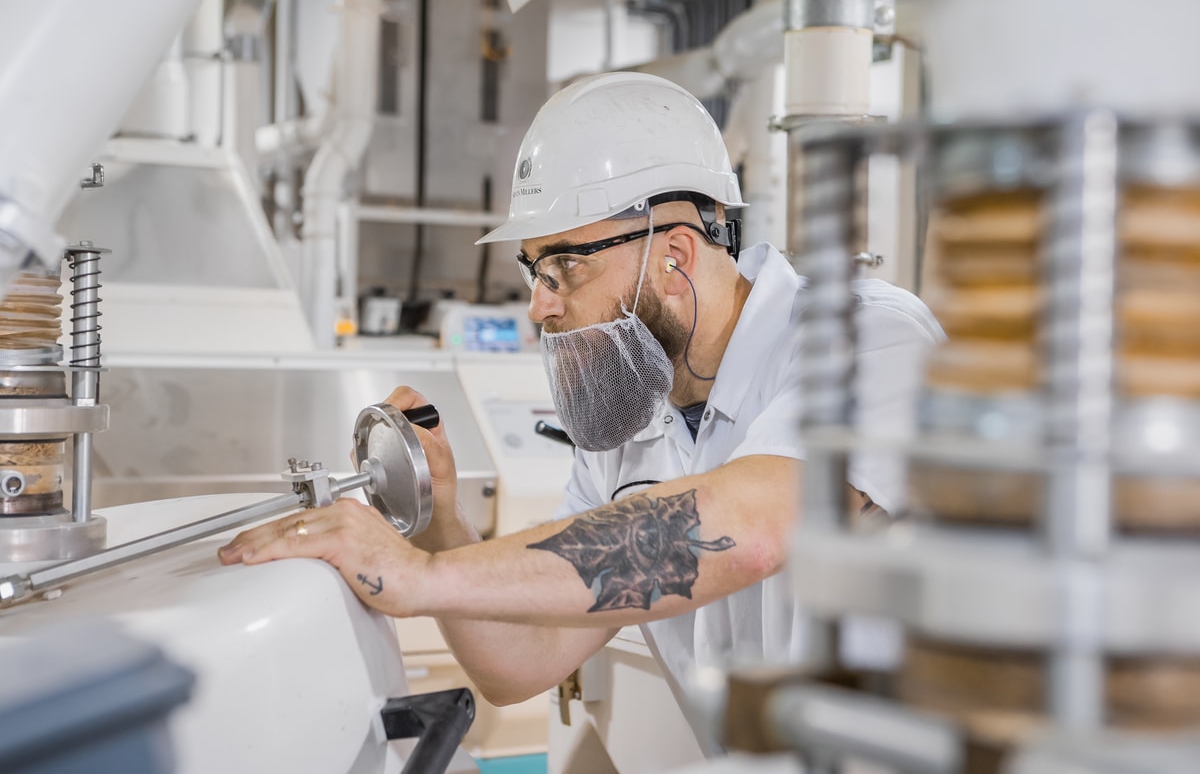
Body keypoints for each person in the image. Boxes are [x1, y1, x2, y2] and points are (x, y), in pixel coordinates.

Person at [218, 72, 943, 754]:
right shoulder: (630, 420)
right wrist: (439, 519)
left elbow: (745, 530)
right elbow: (520, 664)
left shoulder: (867, 338)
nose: (540, 303)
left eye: (566, 265)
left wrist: (415, 577)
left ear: (675, 254)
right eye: (534, 269)